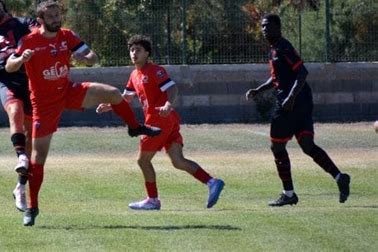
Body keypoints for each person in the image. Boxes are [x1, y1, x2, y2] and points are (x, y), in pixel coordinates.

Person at [5, 0, 161, 226]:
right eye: (51, 17)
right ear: (40, 20)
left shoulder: (66, 35)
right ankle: (32, 207)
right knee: (38, 159)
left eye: (58, 15)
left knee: (112, 93)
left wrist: (86, 58)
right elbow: (9, 66)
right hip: (44, 105)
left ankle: (134, 127)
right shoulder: (29, 41)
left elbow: (92, 57)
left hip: (68, 91)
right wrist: (21, 59)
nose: (56, 19)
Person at [96, 35, 225, 210]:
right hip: (167, 122)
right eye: (132, 50)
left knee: (143, 161)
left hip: (159, 121)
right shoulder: (134, 74)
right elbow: (127, 97)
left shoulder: (156, 70)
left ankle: (153, 200)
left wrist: (168, 104)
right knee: (178, 161)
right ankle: (212, 182)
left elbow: (172, 88)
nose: (134, 53)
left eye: (138, 50)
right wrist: (110, 106)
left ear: (147, 53)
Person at [245, 13, 351, 206]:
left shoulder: (284, 47)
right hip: (301, 102)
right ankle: (339, 177)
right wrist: (259, 90)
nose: (264, 29)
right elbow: (278, 78)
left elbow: (302, 72)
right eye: (262, 26)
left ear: (278, 27)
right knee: (308, 146)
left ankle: (289, 193)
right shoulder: (274, 49)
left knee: (277, 146)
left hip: (291, 103)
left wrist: (290, 98)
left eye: (268, 26)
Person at [0, 0, 35, 212]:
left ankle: (20, 187)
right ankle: (19, 155)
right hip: (7, 83)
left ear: (1, 5)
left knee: (31, 137)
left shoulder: (25, 23)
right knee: (14, 111)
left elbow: (42, 38)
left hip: (32, 83)